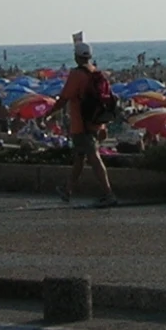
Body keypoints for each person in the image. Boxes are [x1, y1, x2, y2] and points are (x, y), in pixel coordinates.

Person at [56, 35, 119, 208]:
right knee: (79, 157)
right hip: (95, 122)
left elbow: (64, 98)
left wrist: (48, 113)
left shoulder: (77, 74)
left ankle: (108, 193)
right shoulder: (96, 73)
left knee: (94, 158)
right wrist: (103, 125)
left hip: (81, 124)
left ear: (76, 56)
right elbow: (103, 100)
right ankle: (67, 190)